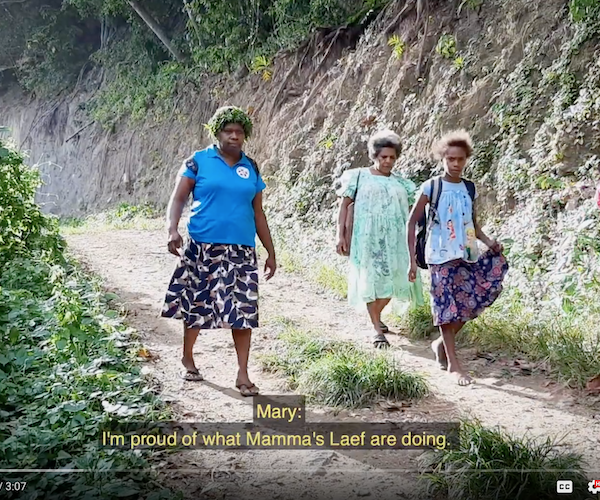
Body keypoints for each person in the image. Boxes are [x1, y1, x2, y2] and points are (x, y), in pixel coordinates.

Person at [161, 105, 277, 397]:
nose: (234, 136)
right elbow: (177, 199)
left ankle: (242, 374)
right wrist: (172, 229)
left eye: (239, 131)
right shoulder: (198, 162)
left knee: (243, 311)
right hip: (203, 246)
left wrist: (270, 251)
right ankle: (188, 357)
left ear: (245, 135)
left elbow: (258, 213)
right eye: (229, 131)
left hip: (241, 250)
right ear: (218, 132)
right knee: (197, 306)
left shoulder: (250, 166)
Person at [407, 130, 509, 386]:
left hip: (466, 253)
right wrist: (411, 261)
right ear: (442, 158)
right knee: (446, 307)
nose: (455, 164)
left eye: (460, 159)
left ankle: (441, 344)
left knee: (468, 302)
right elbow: (411, 223)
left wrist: (489, 243)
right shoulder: (432, 186)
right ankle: (454, 363)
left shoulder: (469, 187)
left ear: (466, 160)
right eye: (450, 159)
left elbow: (472, 222)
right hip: (439, 256)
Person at [335, 129, 424, 348]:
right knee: (371, 282)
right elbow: (344, 206)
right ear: (374, 156)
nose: (388, 161)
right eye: (383, 156)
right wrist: (340, 236)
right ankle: (376, 329)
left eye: (392, 157)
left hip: (396, 241)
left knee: (397, 282)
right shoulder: (357, 176)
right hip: (367, 239)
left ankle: (377, 316)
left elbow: (412, 212)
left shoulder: (402, 183)